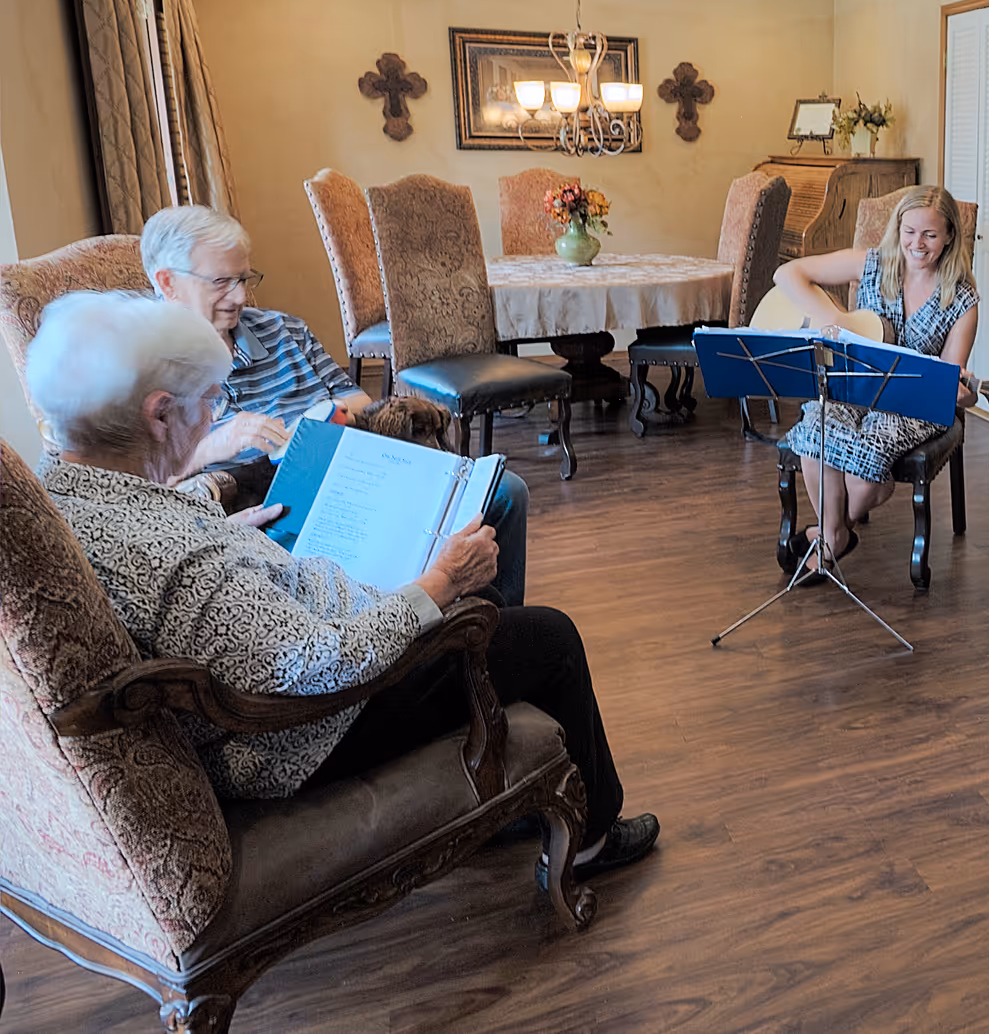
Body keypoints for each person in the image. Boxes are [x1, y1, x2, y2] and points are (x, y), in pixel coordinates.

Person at [28, 291, 657, 882]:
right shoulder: (181, 561)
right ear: (159, 414)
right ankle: (592, 840)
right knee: (546, 636)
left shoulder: (62, 494)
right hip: (300, 733)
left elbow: (168, 533)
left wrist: (216, 513)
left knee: (488, 612)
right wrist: (437, 584)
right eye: (209, 403)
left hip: (282, 659)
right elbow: (314, 663)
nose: (213, 417)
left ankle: (502, 796)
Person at [141, 204, 531, 606]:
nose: (240, 296)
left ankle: (491, 631)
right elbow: (133, 485)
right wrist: (214, 446)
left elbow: (357, 403)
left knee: (505, 491)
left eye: (243, 278)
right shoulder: (139, 365)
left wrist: (337, 420)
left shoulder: (282, 329)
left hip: (353, 477)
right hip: (256, 513)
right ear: (168, 282)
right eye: (222, 282)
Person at [772, 185, 980, 580]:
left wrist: (965, 397)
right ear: (897, 229)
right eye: (909, 232)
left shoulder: (962, 301)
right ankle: (835, 538)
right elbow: (787, 273)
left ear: (950, 235)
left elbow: (951, 382)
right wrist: (839, 320)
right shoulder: (870, 264)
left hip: (911, 401)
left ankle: (829, 531)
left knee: (865, 472)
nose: (916, 244)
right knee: (815, 428)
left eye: (930, 235)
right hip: (853, 385)